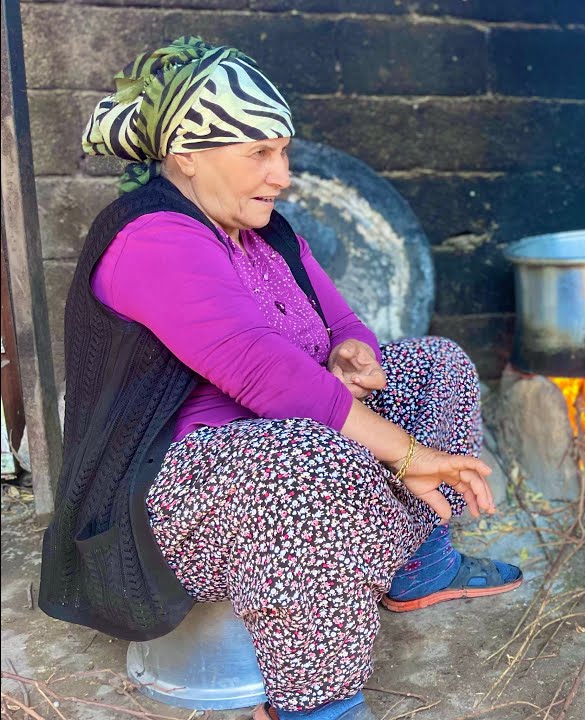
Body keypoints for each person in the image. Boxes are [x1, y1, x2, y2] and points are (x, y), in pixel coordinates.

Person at [39, 37, 523, 720]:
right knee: (312, 461)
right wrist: (409, 455)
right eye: (259, 154)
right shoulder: (152, 239)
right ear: (186, 155)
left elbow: (341, 316)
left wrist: (353, 349)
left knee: (436, 364)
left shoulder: (263, 231)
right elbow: (266, 374)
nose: (283, 174)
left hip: (285, 445)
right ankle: (316, 700)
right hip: (172, 494)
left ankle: (416, 565)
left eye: (283, 151)